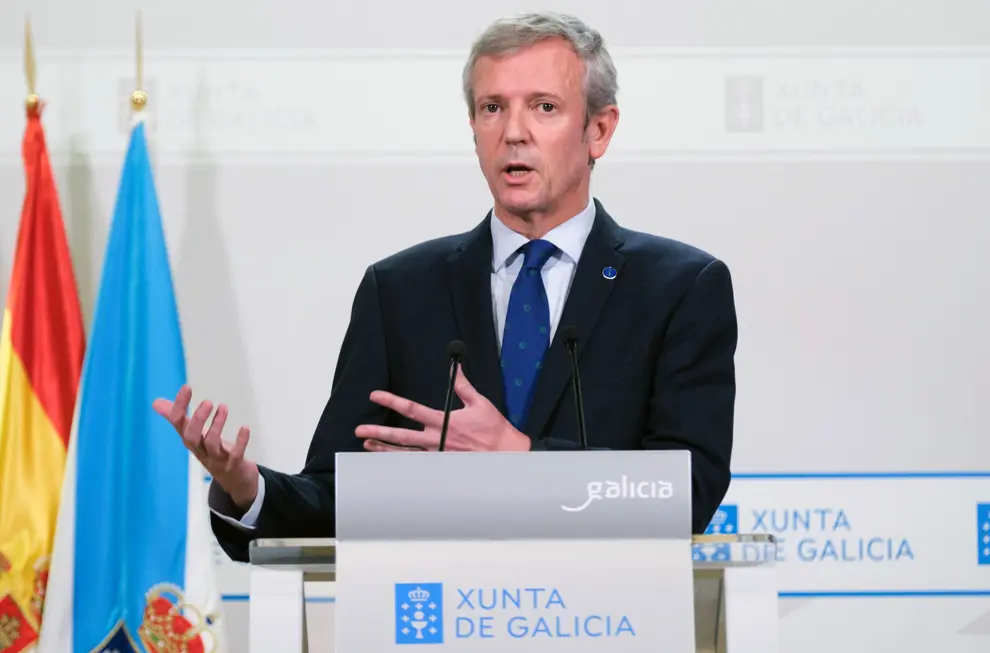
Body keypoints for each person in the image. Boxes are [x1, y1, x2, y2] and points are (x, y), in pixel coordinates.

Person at [153, 11, 737, 563]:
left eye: (544, 107)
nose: (513, 132)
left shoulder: (679, 289)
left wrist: (521, 458)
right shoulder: (402, 291)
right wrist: (247, 488)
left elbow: (688, 491)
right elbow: (336, 498)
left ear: (599, 130)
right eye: (491, 107)